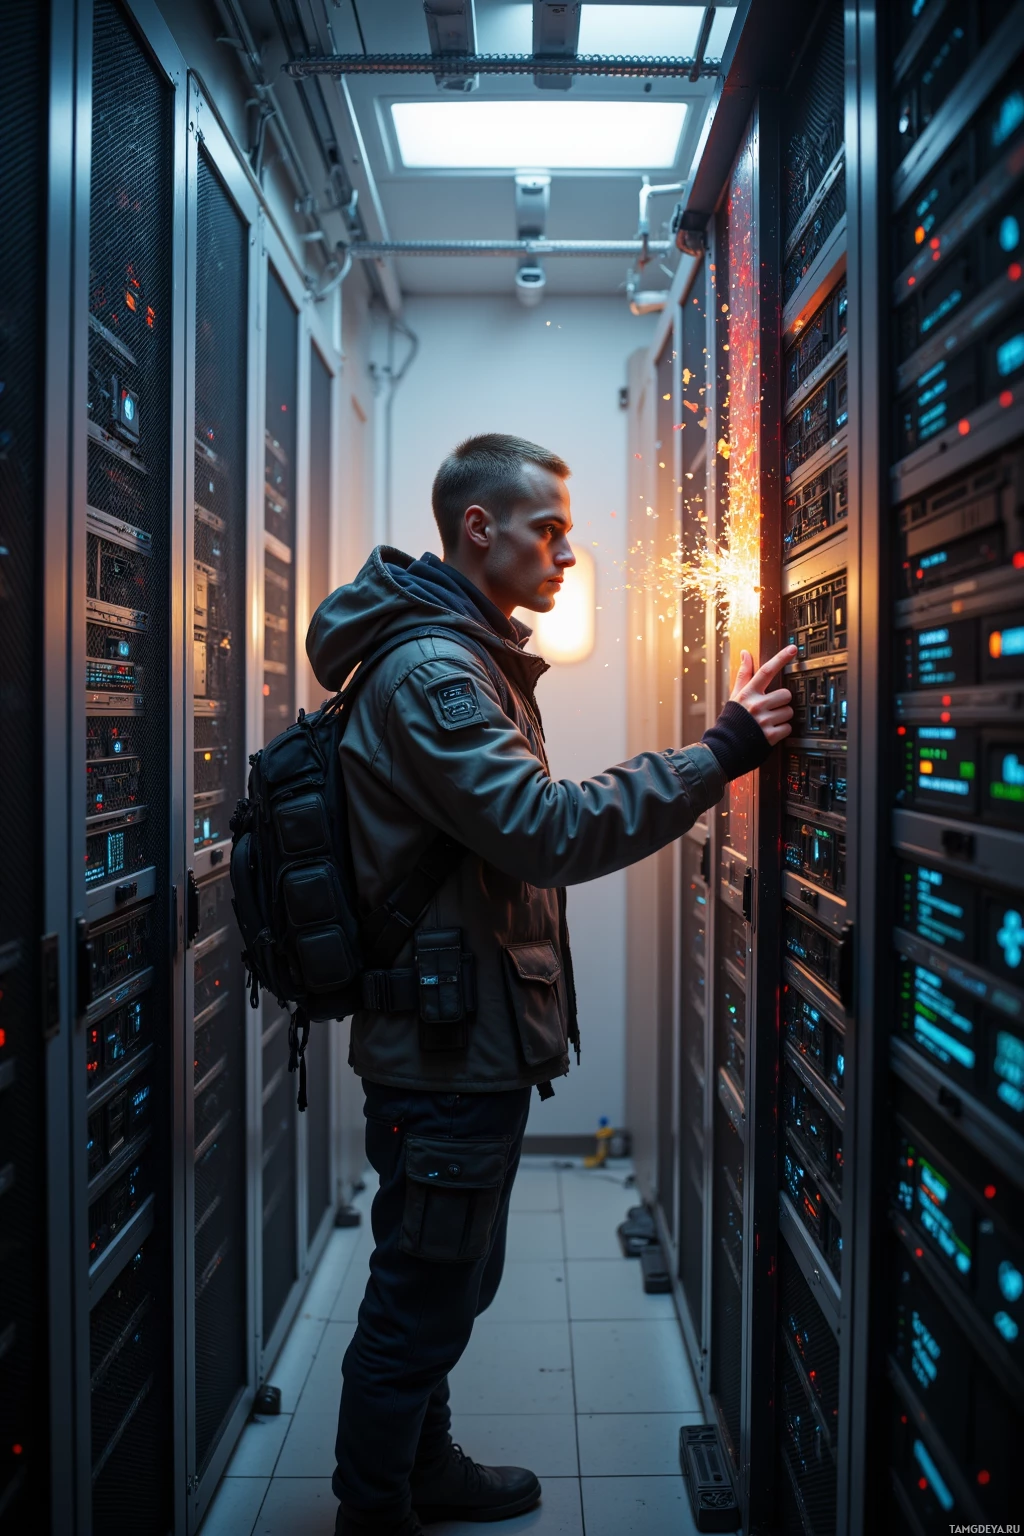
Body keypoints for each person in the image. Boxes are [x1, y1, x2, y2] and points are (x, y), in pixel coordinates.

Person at [306, 434, 796, 1536]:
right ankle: (372, 1510)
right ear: (480, 529)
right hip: (444, 1046)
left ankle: (421, 1471)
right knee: (421, 1297)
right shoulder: (437, 670)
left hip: (455, 1033)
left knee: (443, 1282)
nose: (567, 554)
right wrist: (716, 752)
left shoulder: (458, 651)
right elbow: (542, 828)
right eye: (550, 530)